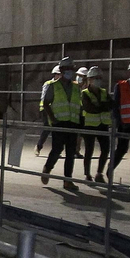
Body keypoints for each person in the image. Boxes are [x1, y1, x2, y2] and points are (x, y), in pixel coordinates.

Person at [39, 62, 82, 191]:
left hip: (73, 123)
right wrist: (53, 119)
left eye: (71, 70)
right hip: (59, 122)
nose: (70, 72)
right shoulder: (53, 86)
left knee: (70, 153)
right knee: (57, 149)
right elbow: (46, 103)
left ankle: (67, 180)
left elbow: (78, 104)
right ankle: (47, 168)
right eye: (68, 70)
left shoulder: (75, 87)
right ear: (62, 71)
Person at [79, 66, 114, 183]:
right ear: (89, 79)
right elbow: (90, 108)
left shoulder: (104, 92)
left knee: (105, 149)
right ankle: (87, 174)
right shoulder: (85, 93)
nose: (98, 80)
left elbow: (111, 105)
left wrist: (101, 106)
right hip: (89, 125)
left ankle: (99, 173)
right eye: (95, 78)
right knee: (89, 150)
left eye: (99, 78)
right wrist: (103, 106)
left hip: (103, 125)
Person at [35, 57, 71, 154]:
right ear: (55, 74)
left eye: (60, 74)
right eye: (58, 74)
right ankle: (39, 146)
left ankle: (57, 148)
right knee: (47, 128)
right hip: (46, 109)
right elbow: (44, 98)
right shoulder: (49, 84)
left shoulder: (65, 85)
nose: (59, 76)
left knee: (57, 130)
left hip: (57, 110)